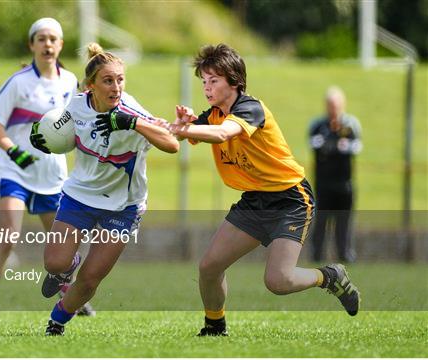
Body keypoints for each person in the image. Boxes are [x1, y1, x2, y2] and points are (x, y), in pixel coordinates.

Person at [168, 44, 360, 336]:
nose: (206, 88)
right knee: (209, 267)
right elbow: (190, 131)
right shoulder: (214, 115)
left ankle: (329, 276)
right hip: (255, 199)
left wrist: (185, 129)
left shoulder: (250, 108)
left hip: (291, 199)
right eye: (203, 81)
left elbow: (221, 134)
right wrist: (173, 125)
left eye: (213, 80)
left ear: (234, 80)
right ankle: (215, 326)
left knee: (278, 281)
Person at [29, 42, 179, 336]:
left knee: (90, 279)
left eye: (120, 79)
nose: (116, 87)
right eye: (108, 80)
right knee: (54, 262)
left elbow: (172, 144)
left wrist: (132, 122)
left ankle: (57, 321)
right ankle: (67, 266)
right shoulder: (75, 106)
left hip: (124, 205)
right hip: (80, 196)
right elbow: (59, 132)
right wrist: (43, 139)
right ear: (90, 87)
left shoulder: (131, 110)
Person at [0, 17, 83, 317]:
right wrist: (14, 152)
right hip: (15, 171)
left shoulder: (70, 82)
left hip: (51, 174)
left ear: (60, 45)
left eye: (53, 39)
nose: (47, 44)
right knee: (8, 236)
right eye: (41, 39)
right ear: (31, 45)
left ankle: (72, 296)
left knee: (62, 242)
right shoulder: (19, 82)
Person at [309, 87, 362, 263]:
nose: (333, 108)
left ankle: (345, 255)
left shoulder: (351, 124)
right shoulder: (318, 125)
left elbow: (356, 147)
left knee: (344, 223)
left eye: (336, 104)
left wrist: (336, 147)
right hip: (324, 184)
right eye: (330, 104)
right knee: (321, 221)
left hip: (344, 184)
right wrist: (334, 146)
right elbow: (314, 144)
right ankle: (317, 256)